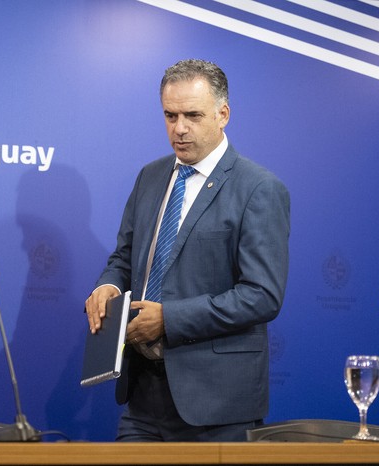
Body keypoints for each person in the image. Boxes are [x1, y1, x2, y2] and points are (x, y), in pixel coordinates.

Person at [84, 59, 290, 442]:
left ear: (223, 114)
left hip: (218, 407)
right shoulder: (150, 177)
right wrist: (108, 287)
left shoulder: (258, 188)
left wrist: (170, 320)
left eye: (193, 115)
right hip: (142, 398)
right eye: (170, 115)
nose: (179, 129)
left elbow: (262, 296)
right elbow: (124, 258)